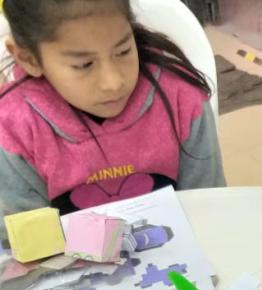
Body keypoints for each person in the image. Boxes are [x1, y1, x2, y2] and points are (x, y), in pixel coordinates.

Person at [0, 0, 224, 239]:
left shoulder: (182, 98)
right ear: (29, 59)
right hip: (69, 261)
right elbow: (27, 242)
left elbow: (210, 209)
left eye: (123, 51)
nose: (114, 82)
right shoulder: (13, 129)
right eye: (84, 65)